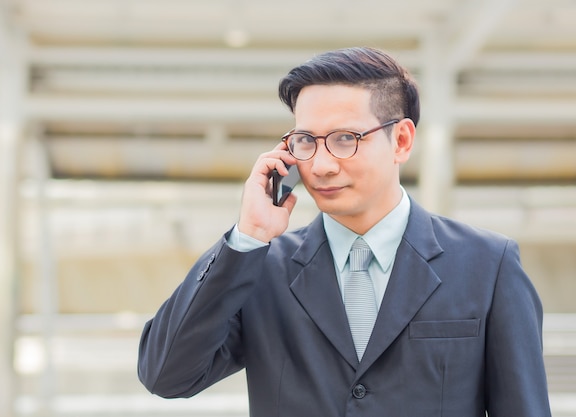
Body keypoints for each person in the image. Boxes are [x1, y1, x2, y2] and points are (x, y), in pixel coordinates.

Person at [137, 47, 552, 417]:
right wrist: (248, 236)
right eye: (305, 141)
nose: (321, 165)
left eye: (344, 139)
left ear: (402, 141)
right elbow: (166, 375)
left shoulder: (487, 266)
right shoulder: (261, 266)